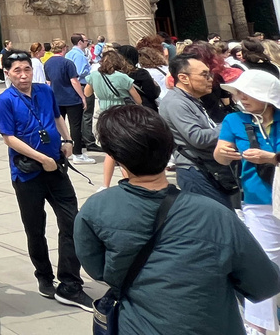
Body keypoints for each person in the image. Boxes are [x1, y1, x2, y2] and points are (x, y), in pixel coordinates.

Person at [77, 104, 280, 335]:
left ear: (114, 157)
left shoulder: (95, 209)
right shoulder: (215, 214)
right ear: (169, 148)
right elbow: (264, 284)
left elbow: (98, 269)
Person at [0, 50, 91, 310]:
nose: (23, 75)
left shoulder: (44, 91)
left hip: (56, 168)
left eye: (26, 69)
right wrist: (40, 158)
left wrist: (68, 139)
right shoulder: (5, 100)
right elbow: (9, 137)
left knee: (72, 220)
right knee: (35, 228)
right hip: (27, 173)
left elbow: (57, 116)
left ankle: (70, 282)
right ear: (7, 73)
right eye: (17, 71)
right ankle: (44, 276)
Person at [215, 68, 280, 333]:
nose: (242, 97)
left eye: (249, 92)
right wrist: (222, 152)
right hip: (257, 198)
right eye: (240, 92)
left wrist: (272, 158)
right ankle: (258, 326)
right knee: (264, 260)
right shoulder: (234, 121)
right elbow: (221, 155)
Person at [159, 54, 236, 208]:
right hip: (196, 171)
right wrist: (229, 125)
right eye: (204, 75)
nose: (210, 79)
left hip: (206, 169)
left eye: (210, 74)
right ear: (183, 78)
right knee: (217, 220)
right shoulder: (176, 103)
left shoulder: (189, 99)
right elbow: (198, 138)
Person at [85, 48, 143, 188]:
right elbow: (138, 100)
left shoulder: (94, 75)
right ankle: (130, 181)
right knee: (124, 149)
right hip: (121, 114)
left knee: (110, 151)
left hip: (104, 114)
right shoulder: (122, 77)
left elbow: (87, 93)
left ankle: (105, 184)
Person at [43, 40, 94, 166]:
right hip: (71, 98)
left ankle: (56, 149)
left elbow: (48, 82)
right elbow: (74, 81)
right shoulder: (67, 63)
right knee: (75, 126)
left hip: (56, 98)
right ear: (64, 49)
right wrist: (82, 97)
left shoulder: (47, 63)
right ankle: (77, 153)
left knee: (57, 125)